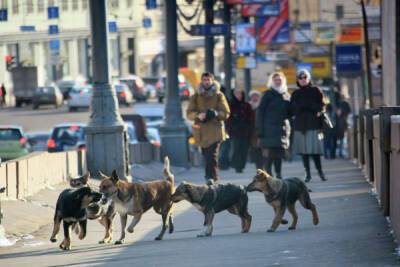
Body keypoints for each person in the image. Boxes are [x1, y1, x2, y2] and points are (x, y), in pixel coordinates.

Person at [187, 72, 230, 182]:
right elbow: (189, 113)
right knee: (206, 155)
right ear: (201, 81)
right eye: (204, 80)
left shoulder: (219, 95)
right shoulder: (195, 96)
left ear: (212, 80)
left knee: (212, 155)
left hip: (215, 130)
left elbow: (226, 113)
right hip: (201, 131)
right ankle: (211, 177)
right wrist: (197, 115)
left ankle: (211, 177)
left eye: (208, 80)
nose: (206, 82)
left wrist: (215, 114)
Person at [290, 69, 326, 182]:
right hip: (300, 126)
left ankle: (320, 172)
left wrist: (310, 106)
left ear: (309, 78)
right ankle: (308, 174)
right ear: (297, 80)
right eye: (300, 78)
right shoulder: (295, 93)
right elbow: (292, 109)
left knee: (315, 151)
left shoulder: (316, 90)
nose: (303, 79)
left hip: (314, 125)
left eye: (305, 77)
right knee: (304, 152)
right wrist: (300, 107)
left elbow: (322, 106)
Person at [256, 72, 291, 179]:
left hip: (282, 130)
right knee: (269, 156)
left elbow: (290, 113)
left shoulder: (286, 95)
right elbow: (260, 112)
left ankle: (279, 175)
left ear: (283, 81)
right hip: (268, 130)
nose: (278, 82)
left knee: (279, 155)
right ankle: (268, 176)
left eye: (279, 80)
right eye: (275, 80)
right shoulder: (267, 94)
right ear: (272, 81)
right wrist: (260, 130)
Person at [226, 89, 254, 173]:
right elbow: (228, 119)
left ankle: (241, 165)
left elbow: (251, 118)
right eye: (237, 94)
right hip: (235, 131)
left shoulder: (247, 105)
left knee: (244, 149)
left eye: (240, 94)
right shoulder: (231, 105)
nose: (239, 95)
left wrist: (249, 128)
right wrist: (229, 129)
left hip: (245, 131)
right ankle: (237, 166)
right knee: (236, 148)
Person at [248, 90, 263, 169]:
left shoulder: (262, 105)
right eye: (253, 96)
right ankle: (258, 166)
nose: (255, 97)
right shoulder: (248, 106)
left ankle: (262, 165)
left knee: (262, 148)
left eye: (256, 96)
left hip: (261, 129)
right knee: (255, 148)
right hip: (252, 131)